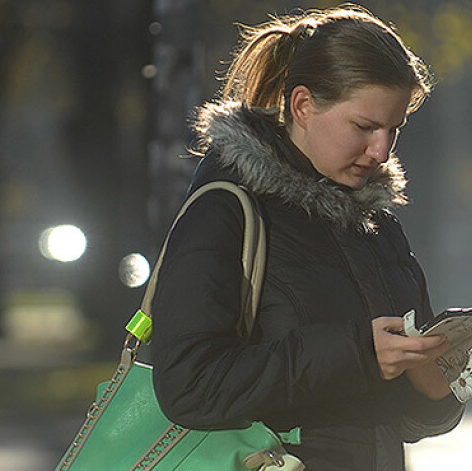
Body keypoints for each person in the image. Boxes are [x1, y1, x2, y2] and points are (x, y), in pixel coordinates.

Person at [150, 5, 465, 470]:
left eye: (393, 130)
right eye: (364, 127)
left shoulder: (377, 228)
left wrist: (431, 380)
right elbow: (190, 388)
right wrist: (358, 352)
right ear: (302, 105)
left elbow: (400, 420)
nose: (380, 151)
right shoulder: (228, 212)